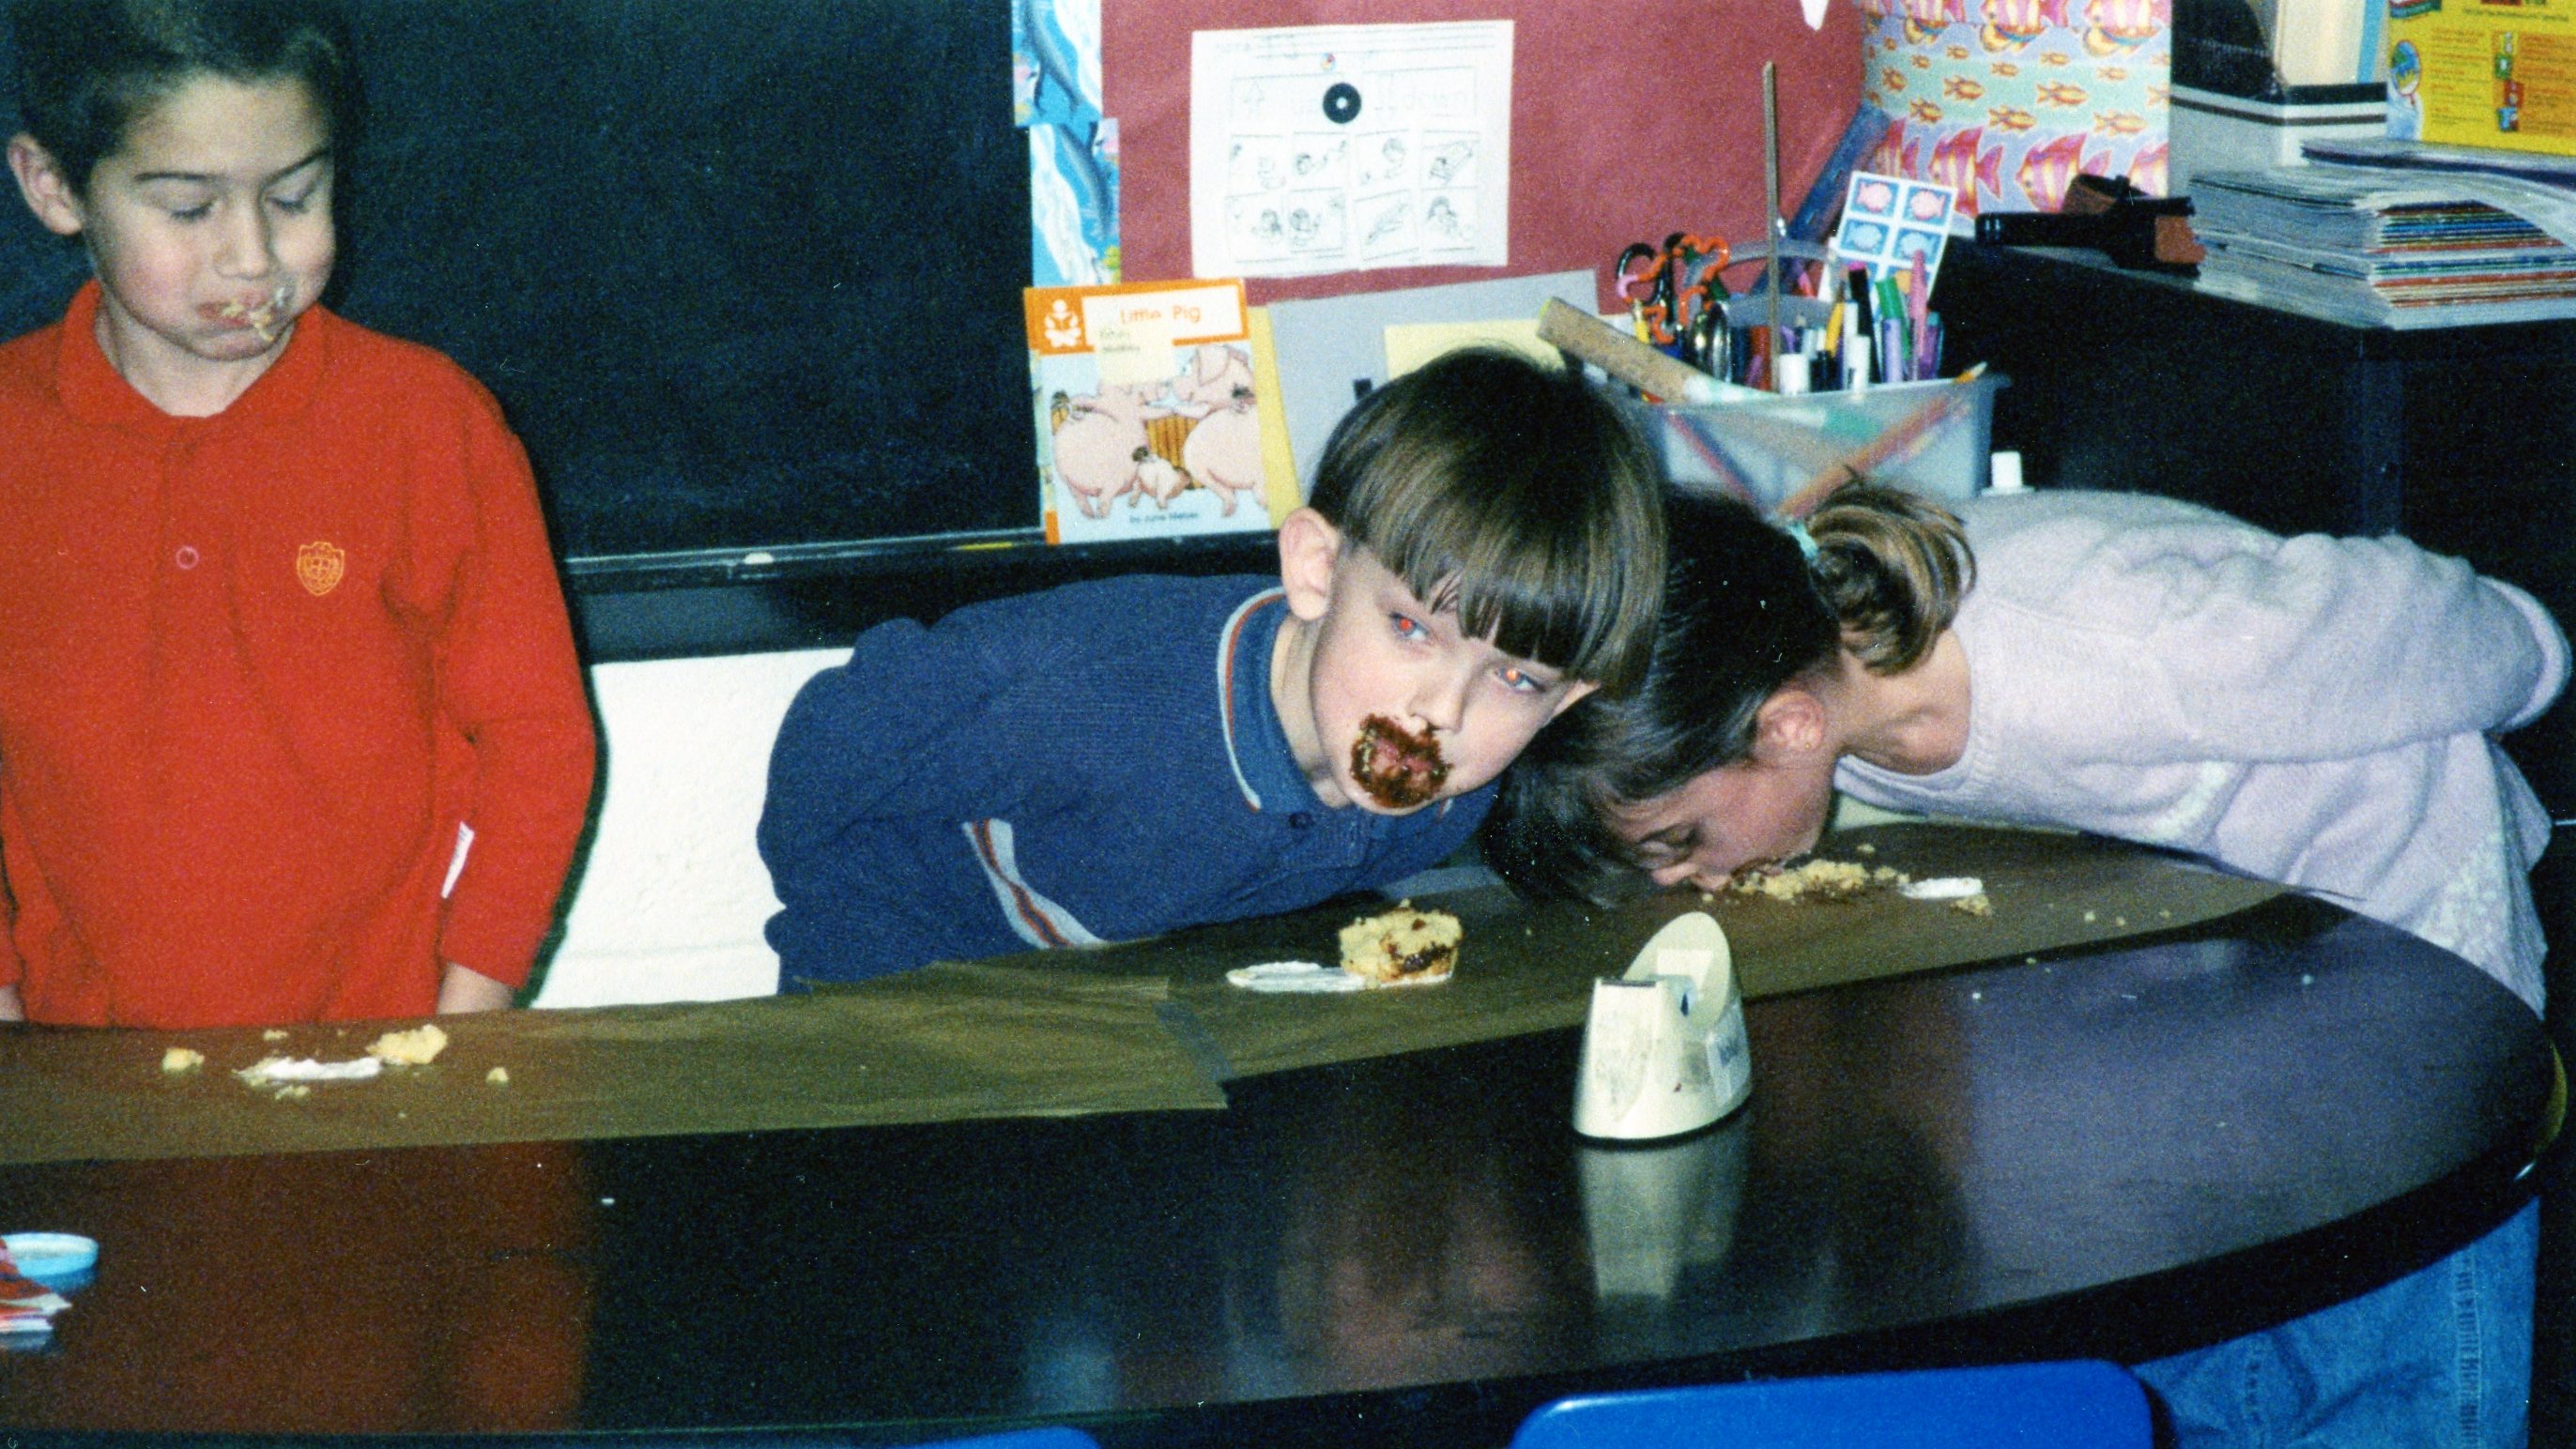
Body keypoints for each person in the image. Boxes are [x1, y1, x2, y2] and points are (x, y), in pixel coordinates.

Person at [1483, 480, 2567, 1448]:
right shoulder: (1837, 697)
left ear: (1788, 726)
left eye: (1680, 840)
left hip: (2412, 927)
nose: (1685, 877)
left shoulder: (2113, 649)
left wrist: (2533, 656)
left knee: (2398, 1349)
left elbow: (2417, 613)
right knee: (2232, 1341)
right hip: (2259, 944)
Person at [0, 0, 597, 1027]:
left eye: (294, 196)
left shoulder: (425, 422)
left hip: (382, 1046)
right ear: (54, 185)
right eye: (189, 208)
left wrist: (465, 1013)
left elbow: (538, 738)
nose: (252, 258)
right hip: (79, 1056)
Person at [757, 347, 1665, 985]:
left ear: (1564, 700)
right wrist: (866, 976)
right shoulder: (1092, 696)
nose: (1444, 710)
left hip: (1106, 1006)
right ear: (1316, 569)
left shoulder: (1447, 799)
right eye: (1409, 627)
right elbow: (827, 749)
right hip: (909, 984)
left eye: (1516, 678)